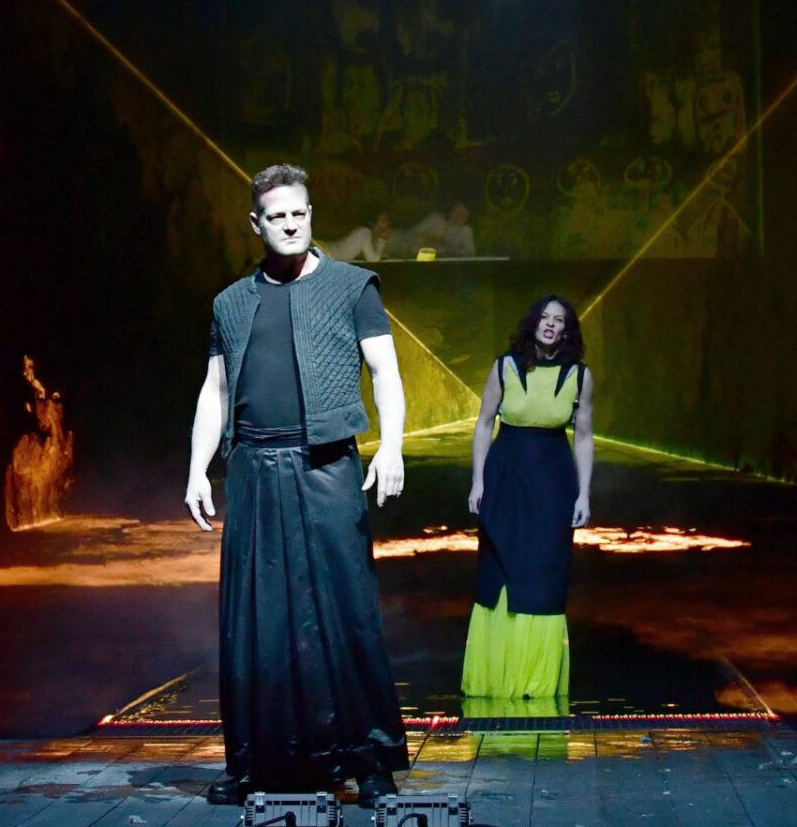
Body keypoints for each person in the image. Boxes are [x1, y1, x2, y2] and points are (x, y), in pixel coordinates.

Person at [186, 163, 409, 805]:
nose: (289, 224)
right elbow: (215, 390)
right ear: (256, 223)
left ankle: (369, 763)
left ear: (310, 216)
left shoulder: (351, 286)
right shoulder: (231, 302)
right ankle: (254, 762)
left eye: (298, 213)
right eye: (277, 216)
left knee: (345, 611)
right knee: (256, 619)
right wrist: (198, 467)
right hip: (254, 469)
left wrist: (391, 446)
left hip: (325, 465)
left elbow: (386, 373)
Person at [462, 297, 593, 710]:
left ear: (567, 330)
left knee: (544, 574)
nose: (550, 325)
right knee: (499, 571)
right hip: (505, 479)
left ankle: (535, 679)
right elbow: (484, 423)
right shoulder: (504, 367)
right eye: (544, 318)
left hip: (553, 484)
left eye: (559, 320)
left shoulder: (579, 376)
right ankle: (497, 676)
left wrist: (584, 493)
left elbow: (584, 437)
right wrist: (478, 481)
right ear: (533, 323)